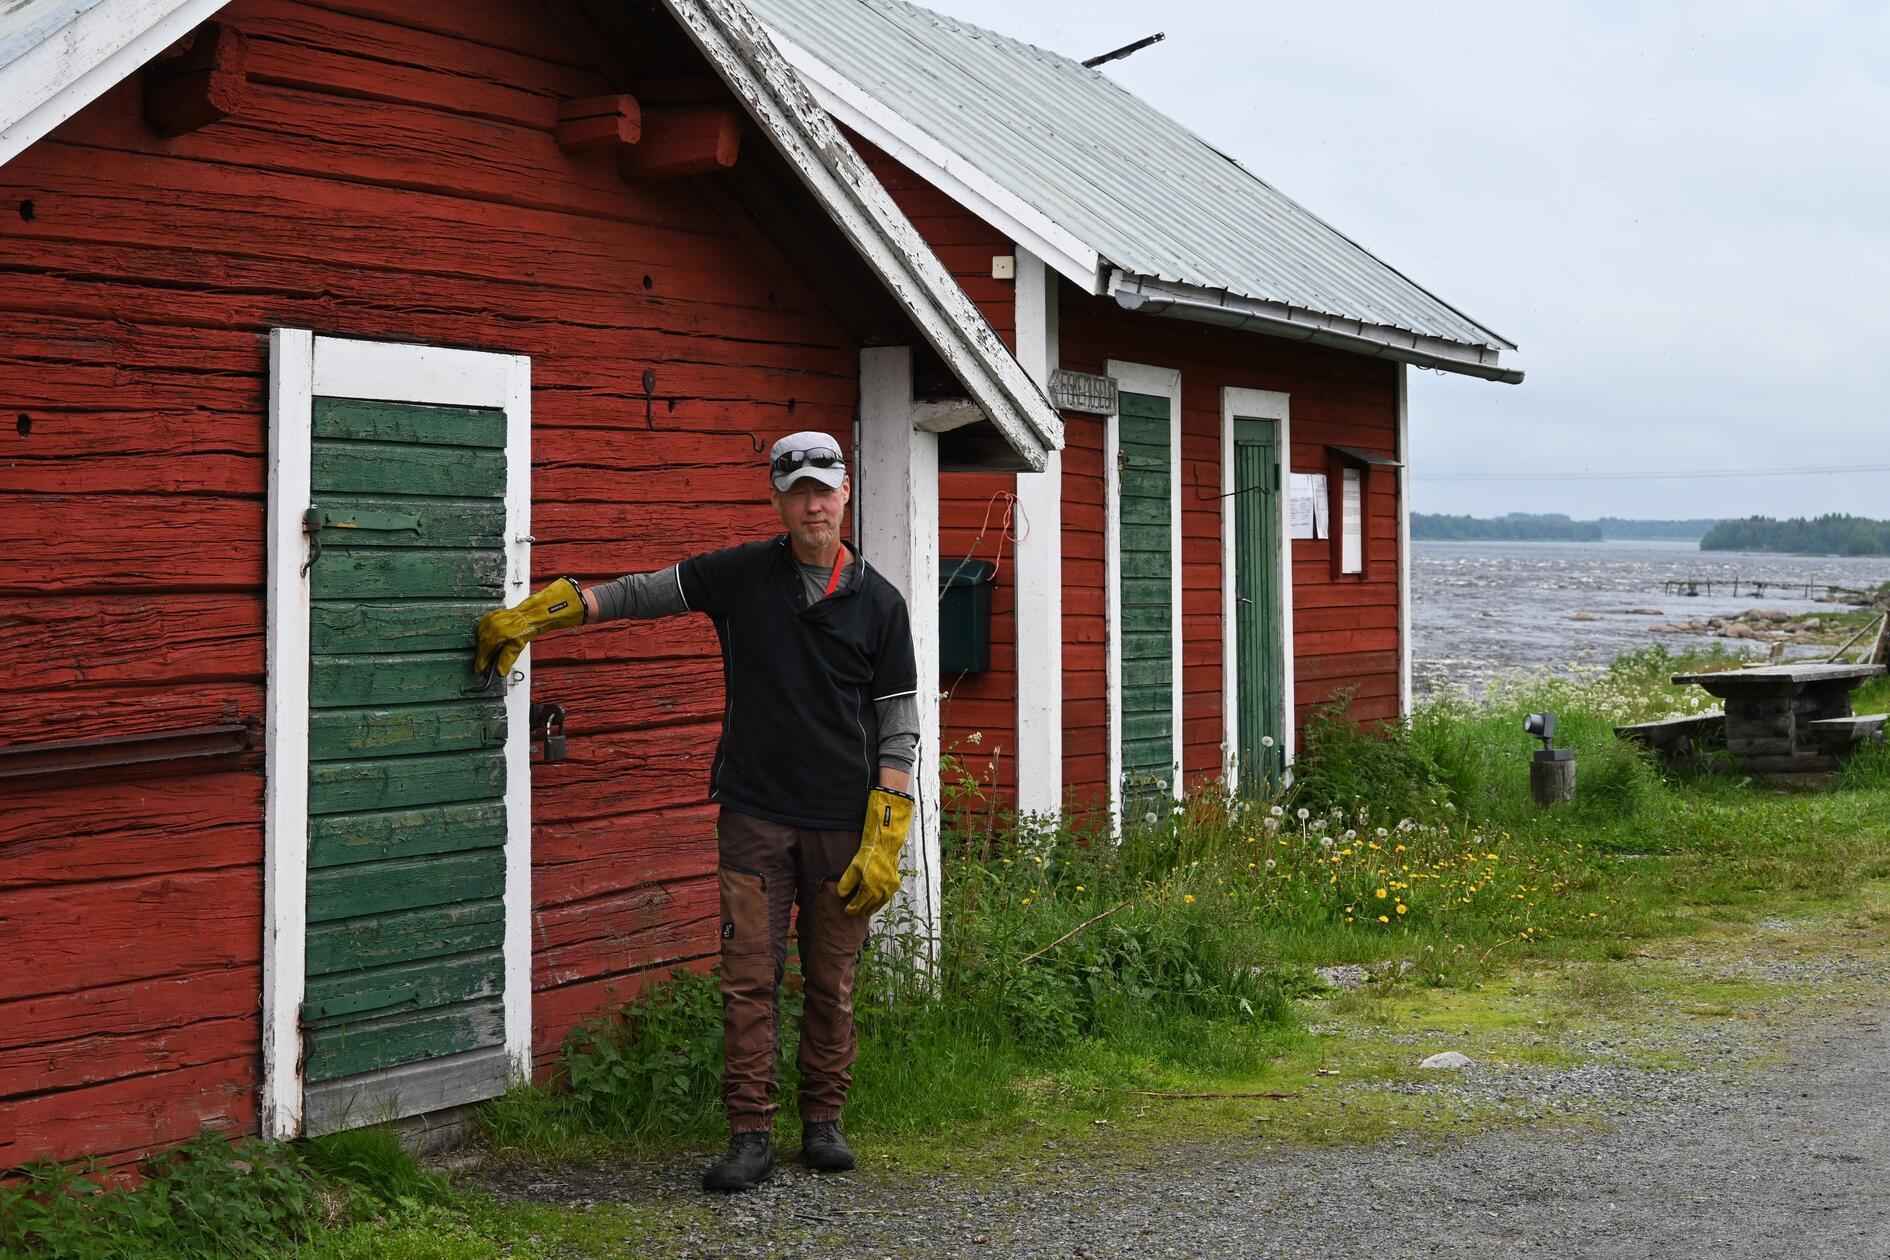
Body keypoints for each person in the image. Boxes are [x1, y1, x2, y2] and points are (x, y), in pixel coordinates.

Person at [473, 432, 920, 1193]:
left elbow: (898, 719)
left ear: (846, 494)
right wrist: (564, 610)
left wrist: (889, 826)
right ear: (777, 500)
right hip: (753, 813)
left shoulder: (880, 602)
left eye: (826, 488)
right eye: (798, 490)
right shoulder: (743, 574)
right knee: (749, 979)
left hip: (845, 826)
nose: (813, 503)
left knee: (832, 980)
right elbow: (652, 590)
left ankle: (822, 1123)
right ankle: (749, 1135)